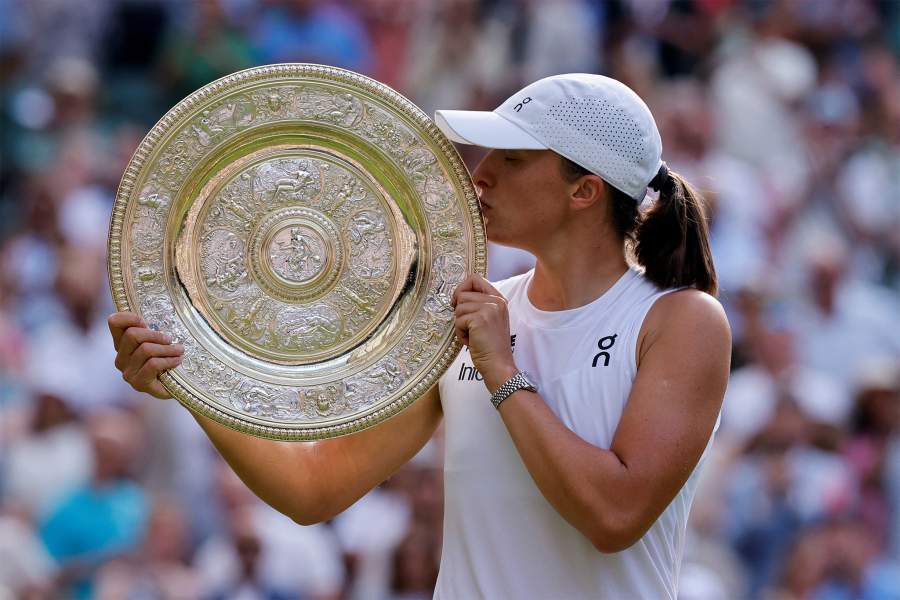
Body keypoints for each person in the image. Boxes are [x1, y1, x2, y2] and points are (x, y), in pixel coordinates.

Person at [109, 74, 731, 599]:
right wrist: (189, 378)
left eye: (511, 160)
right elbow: (315, 489)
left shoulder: (683, 322)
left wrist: (500, 369)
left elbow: (614, 516)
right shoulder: (470, 313)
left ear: (584, 190)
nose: (480, 177)